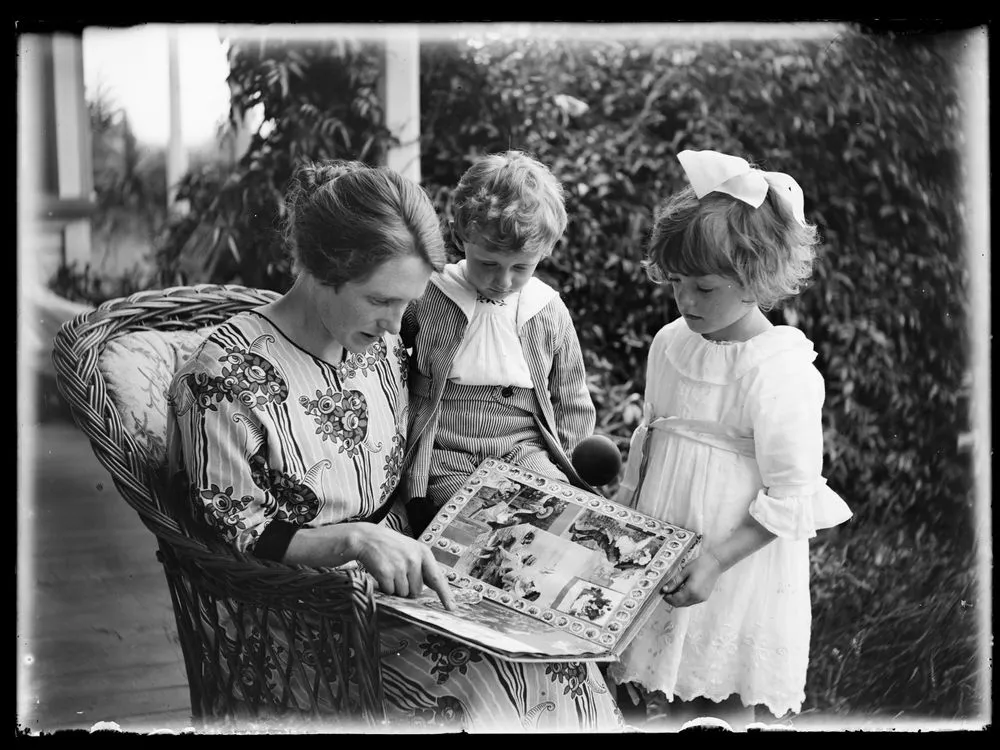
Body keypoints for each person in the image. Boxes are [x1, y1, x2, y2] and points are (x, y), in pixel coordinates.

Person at [166, 159, 624, 733]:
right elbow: (224, 533)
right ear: (317, 267)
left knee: (561, 665)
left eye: (407, 303)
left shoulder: (378, 346)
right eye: (382, 301)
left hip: (407, 590)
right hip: (301, 619)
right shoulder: (223, 377)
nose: (396, 324)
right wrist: (353, 541)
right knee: (496, 697)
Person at [605, 149, 853, 729]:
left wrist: (716, 559)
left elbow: (792, 496)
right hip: (659, 546)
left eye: (704, 287)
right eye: (675, 284)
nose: (685, 301)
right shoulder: (671, 342)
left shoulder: (779, 369)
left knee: (713, 702)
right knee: (641, 697)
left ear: (756, 279)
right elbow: (653, 441)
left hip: (731, 561)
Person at [401, 150, 597, 533]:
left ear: (544, 253)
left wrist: (570, 467)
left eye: (521, 267)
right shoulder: (430, 295)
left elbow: (571, 396)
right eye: (488, 263)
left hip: (521, 446)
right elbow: (389, 363)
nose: (503, 281)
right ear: (462, 237)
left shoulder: (546, 310)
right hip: (447, 448)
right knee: (470, 521)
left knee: (552, 509)